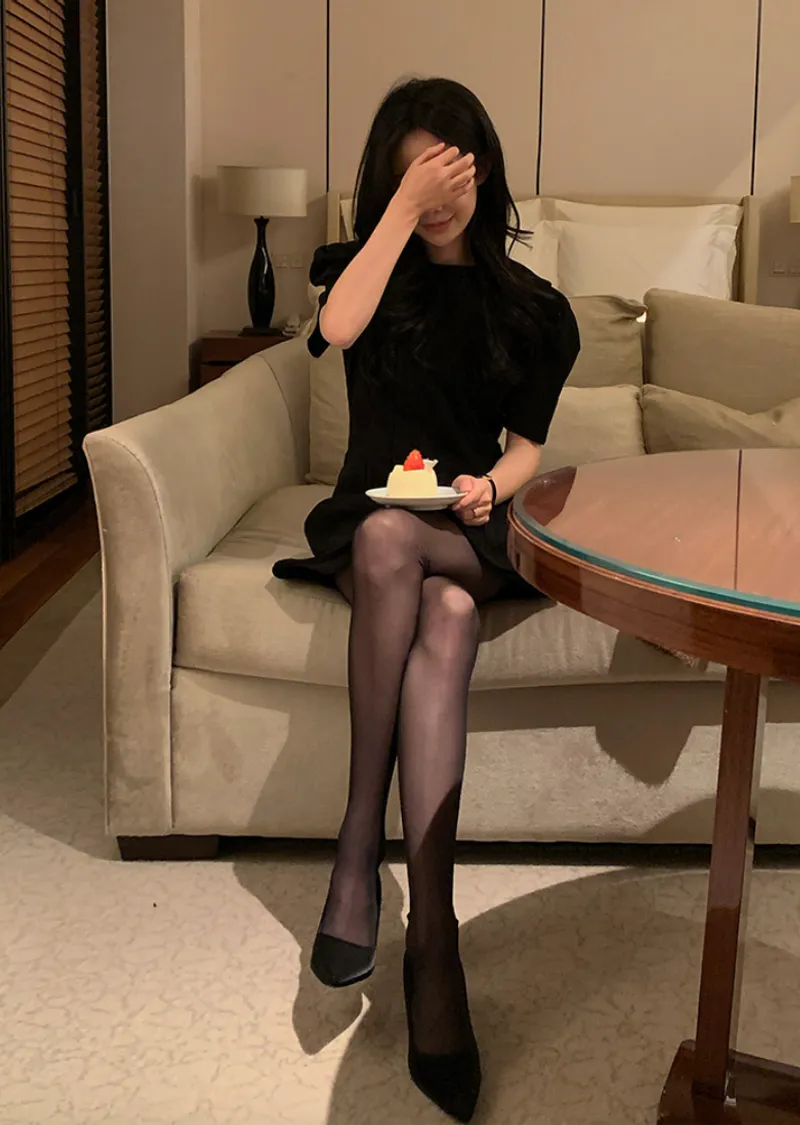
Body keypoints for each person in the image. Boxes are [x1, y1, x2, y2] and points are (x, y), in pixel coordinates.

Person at [273, 76, 580, 1122]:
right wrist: (399, 215)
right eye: (415, 175)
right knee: (427, 594)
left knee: (407, 543)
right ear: (390, 183)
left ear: (483, 174)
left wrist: (494, 483)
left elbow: (528, 445)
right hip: (372, 526)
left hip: (469, 528)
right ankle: (433, 935)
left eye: (452, 172)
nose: (439, 193)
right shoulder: (360, 274)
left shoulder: (533, 309)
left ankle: (358, 845)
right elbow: (336, 329)